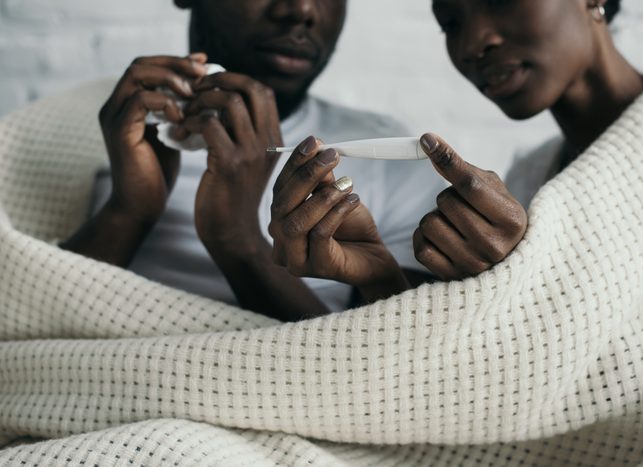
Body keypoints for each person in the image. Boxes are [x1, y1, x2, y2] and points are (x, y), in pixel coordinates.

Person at [59, 0, 446, 321]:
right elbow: (26, 327)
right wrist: (129, 210)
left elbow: (396, 365)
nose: (303, 9)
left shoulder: (392, 156)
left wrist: (238, 239)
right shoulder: (89, 129)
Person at [269, 0, 643, 292]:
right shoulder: (530, 181)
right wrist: (379, 276)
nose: (472, 44)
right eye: (451, 24)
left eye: (500, 0)